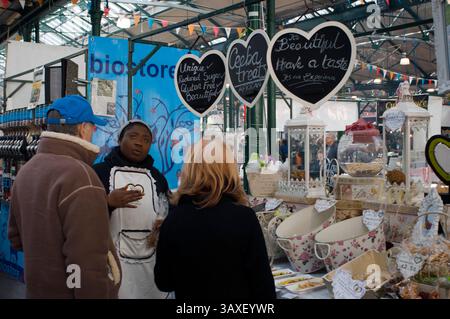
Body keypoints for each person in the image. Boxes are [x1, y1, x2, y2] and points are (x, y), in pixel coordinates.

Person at [8, 95, 121, 298]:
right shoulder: (83, 178)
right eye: (92, 126)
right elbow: (87, 264)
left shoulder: (27, 171)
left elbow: (16, 239)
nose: (94, 131)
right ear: (82, 128)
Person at [154, 139, 276, 299]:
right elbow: (263, 286)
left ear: (189, 170)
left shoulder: (173, 219)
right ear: (228, 170)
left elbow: (164, 282)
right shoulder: (244, 217)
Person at [93, 119, 170, 299]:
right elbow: (83, 217)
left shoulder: (158, 177)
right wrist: (107, 203)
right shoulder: (99, 173)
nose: (139, 143)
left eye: (146, 140)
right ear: (120, 140)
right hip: (112, 261)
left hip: (151, 261)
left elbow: (167, 210)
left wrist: (163, 225)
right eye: (133, 136)